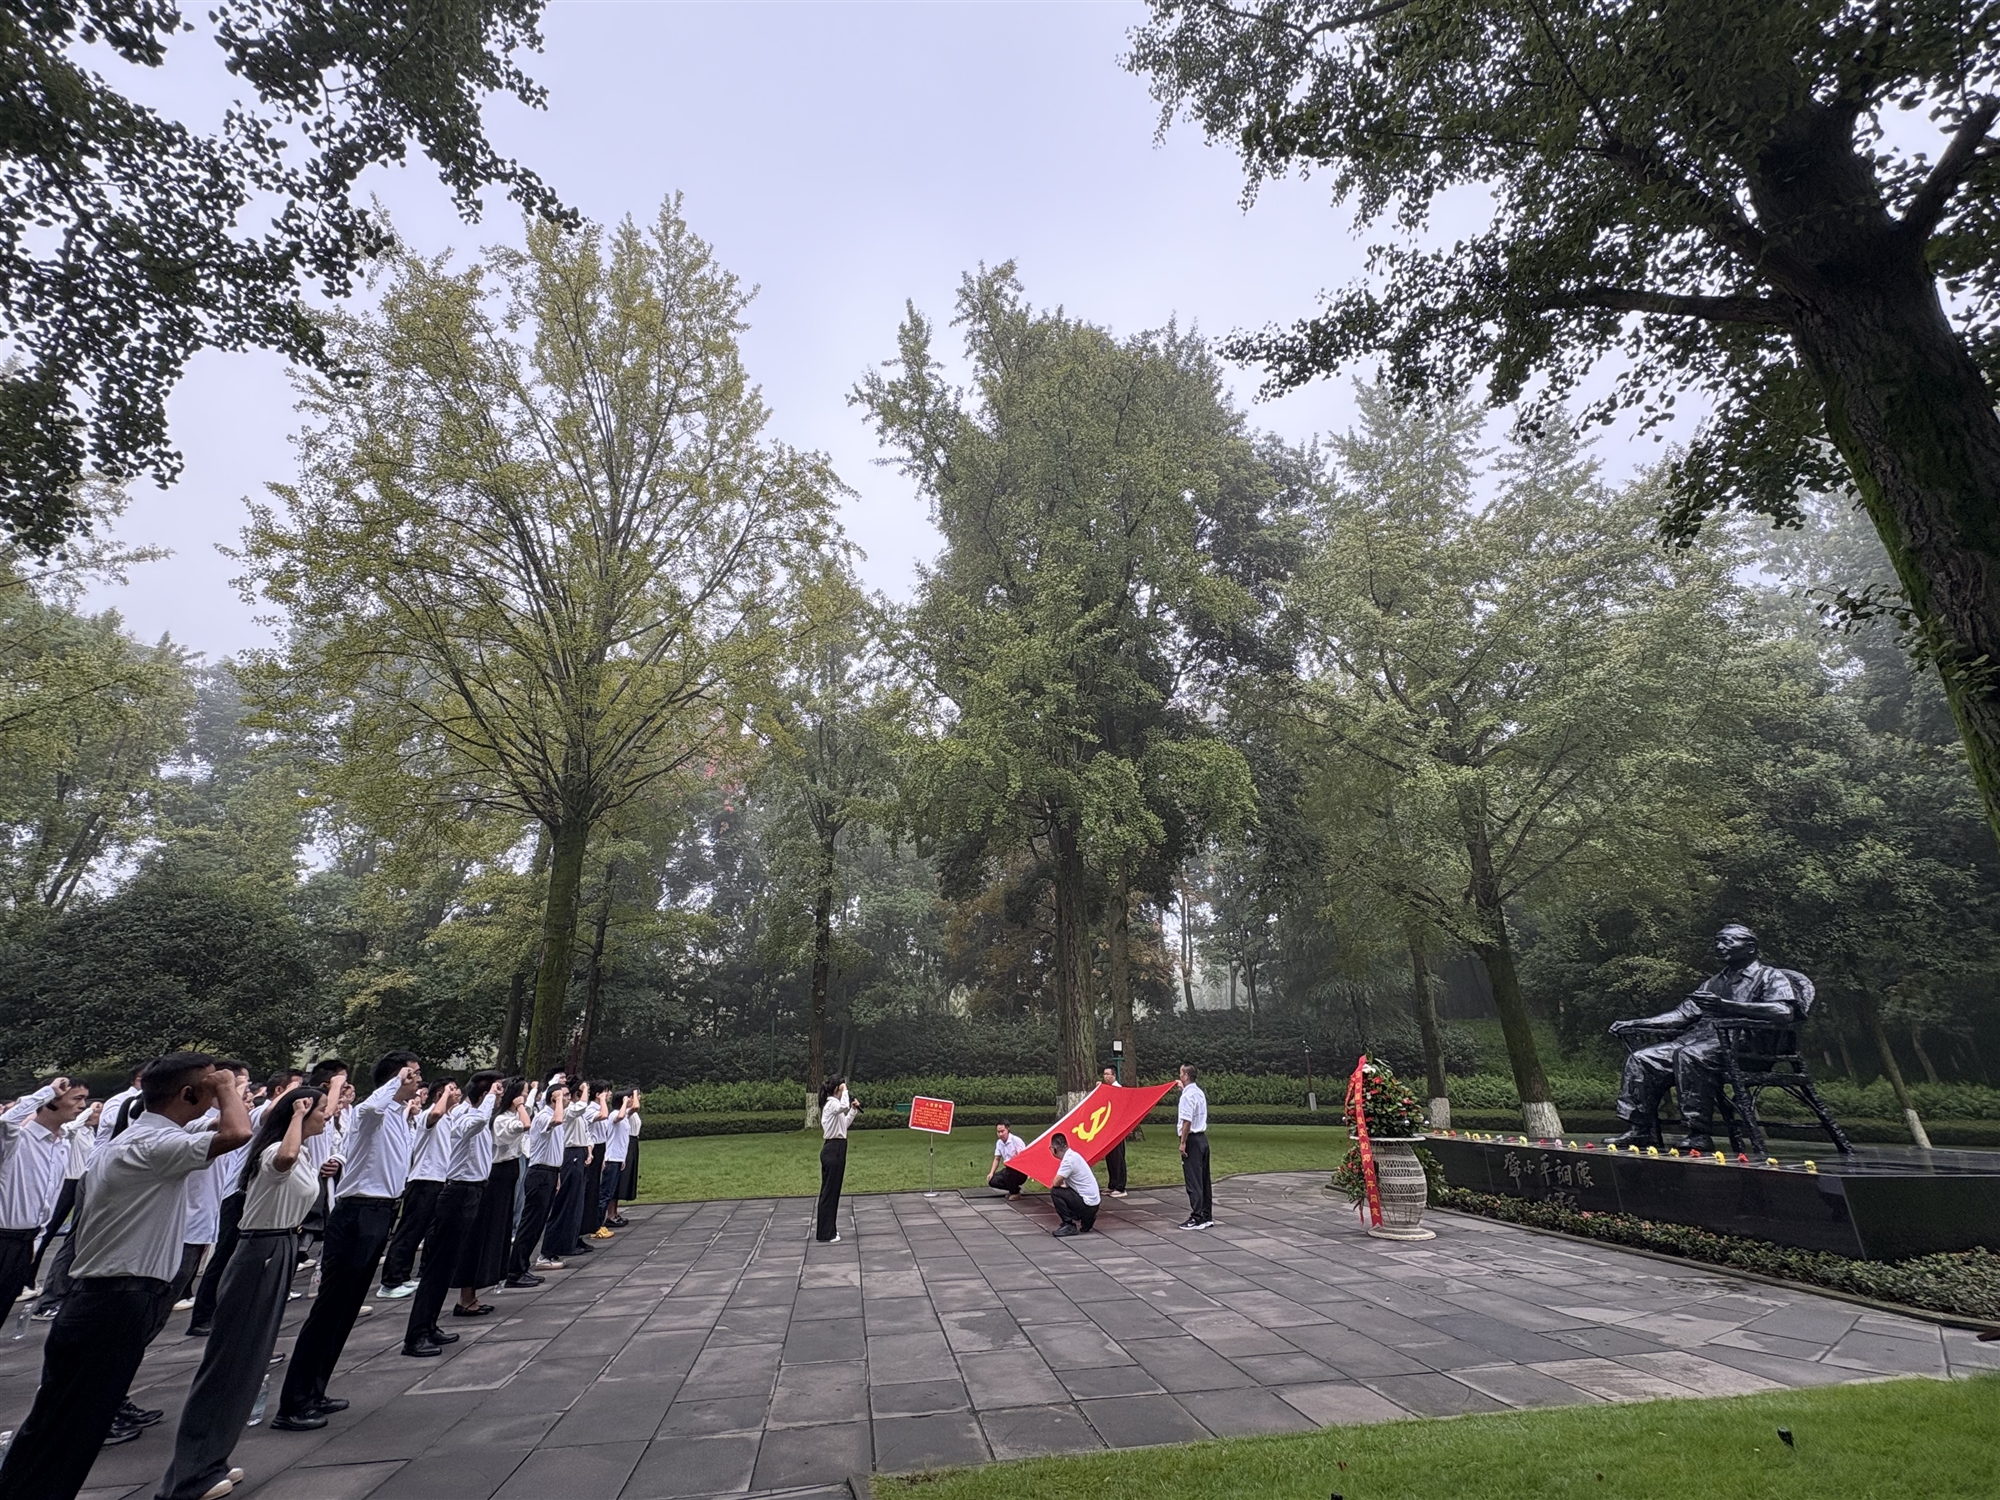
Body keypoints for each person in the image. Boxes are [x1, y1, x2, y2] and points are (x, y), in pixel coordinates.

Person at [0, 1054, 250, 1500]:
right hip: (114, 1299)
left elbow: (214, 1127)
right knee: (69, 1429)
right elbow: (236, 1133)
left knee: (60, 1424)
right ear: (187, 1094)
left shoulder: (147, 1137)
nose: (217, 1096)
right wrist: (229, 1086)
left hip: (110, 1296)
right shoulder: (151, 1146)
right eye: (209, 1090)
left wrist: (220, 1092)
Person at [155, 1086, 330, 1500]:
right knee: (230, 1361)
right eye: (321, 1110)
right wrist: (295, 1115)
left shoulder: (303, 1153)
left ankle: (211, 1460)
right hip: (261, 1252)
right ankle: (189, 1475)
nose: (328, 1116)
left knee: (250, 1362)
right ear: (300, 1113)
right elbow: (283, 1159)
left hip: (281, 1248)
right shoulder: (274, 1153)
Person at [272, 1053, 424, 1432]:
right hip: (358, 1213)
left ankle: (315, 1390)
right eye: (413, 1075)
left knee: (346, 1310)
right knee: (330, 1308)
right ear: (397, 1077)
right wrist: (395, 1082)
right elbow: (370, 1108)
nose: (418, 1081)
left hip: (381, 1211)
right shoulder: (373, 1114)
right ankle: (293, 1402)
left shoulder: (399, 1116)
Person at [1609, 924, 1804, 1151]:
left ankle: (1698, 1133)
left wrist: (1727, 1006)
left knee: (1689, 1055)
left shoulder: (1770, 976)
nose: (1719, 947)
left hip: (1744, 1048)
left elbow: (1784, 1012)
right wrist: (1636, 1023)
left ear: (1750, 947)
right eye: (1717, 942)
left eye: (1727, 941)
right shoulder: (1713, 983)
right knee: (1642, 1059)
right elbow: (1681, 1015)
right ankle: (1641, 1130)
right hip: (1701, 1042)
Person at [402, 1070, 500, 1356]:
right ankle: (416, 1334)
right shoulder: (463, 1115)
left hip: (471, 1191)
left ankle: (429, 1325)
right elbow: (476, 1122)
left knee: (446, 1266)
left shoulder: (464, 1114)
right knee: (438, 1265)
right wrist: (491, 1096)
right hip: (457, 1192)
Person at [188, 1068, 279, 1335]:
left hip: (228, 1194)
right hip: (226, 1197)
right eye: (243, 1090)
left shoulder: (244, 1117)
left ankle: (222, 1313)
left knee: (233, 1259)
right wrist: (233, 1087)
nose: (247, 1096)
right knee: (223, 1258)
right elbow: (227, 1124)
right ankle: (203, 1315)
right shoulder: (205, 1119)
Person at [0, 1078, 91, 1316]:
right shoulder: (17, 1139)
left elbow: (48, 1199)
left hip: (26, 1242)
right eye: (77, 1098)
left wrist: (36, 1242)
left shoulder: (62, 1144)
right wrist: (48, 1091)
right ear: (51, 1101)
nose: (83, 1106)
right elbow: (6, 1121)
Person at [457, 1077, 528, 1310]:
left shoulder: (493, 1118)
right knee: (480, 1237)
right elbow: (525, 1124)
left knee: (496, 1235)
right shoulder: (493, 1119)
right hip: (493, 1179)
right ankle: (466, 1297)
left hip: (505, 1177)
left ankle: (473, 1293)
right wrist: (519, 1106)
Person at [377, 1082, 454, 1297]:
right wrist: (445, 1094)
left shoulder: (449, 1118)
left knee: (423, 1231)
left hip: (438, 1179)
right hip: (423, 1179)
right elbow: (436, 1112)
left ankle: (404, 1275)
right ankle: (390, 1281)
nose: (457, 1093)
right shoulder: (429, 1115)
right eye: (452, 1090)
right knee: (410, 1231)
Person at [26, 1095, 99, 1293]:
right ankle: (27, 1279)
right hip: (68, 1182)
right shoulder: (72, 1130)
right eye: (95, 1111)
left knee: (77, 1231)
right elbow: (74, 1125)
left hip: (82, 1182)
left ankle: (60, 1280)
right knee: (48, 1230)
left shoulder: (90, 1132)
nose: (97, 1115)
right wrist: (88, 1109)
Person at [509, 1080, 567, 1283]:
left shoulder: (553, 1116)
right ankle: (515, 1271)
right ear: (554, 1098)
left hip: (549, 1172)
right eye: (564, 1096)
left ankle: (521, 1267)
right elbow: (557, 1119)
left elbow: (554, 1149)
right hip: (540, 1174)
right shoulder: (544, 1116)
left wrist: (557, 1175)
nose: (567, 1099)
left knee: (537, 1224)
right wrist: (558, 1099)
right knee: (530, 1224)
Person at [543, 1077, 599, 1261]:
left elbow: (585, 1132)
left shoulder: (574, 1111)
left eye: (568, 1095)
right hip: (570, 1154)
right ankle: (561, 1243)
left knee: (577, 1201)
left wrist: (588, 1150)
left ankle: (573, 1239)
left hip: (579, 1152)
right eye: (564, 1095)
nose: (566, 1098)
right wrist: (584, 1089)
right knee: (568, 1200)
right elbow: (580, 1107)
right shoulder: (567, 1111)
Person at [590, 1089, 638, 1238]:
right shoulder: (613, 1115)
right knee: (605, 1194)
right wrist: (624, 1102)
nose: (631, 1101)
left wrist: (622, 1160)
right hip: (611, 1159)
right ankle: (597, 1226)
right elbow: (620, 1116)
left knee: (609, 1192)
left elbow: (634, 1108)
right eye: (628, 1099)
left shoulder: (625, 1115)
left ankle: (600, 1224)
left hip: (618, 1159)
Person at [815, 1078, 858, 1244]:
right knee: (829, 1193)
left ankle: (829, 1229)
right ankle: (826, 1232)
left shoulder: (835, 1106)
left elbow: (843, 1125)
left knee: (833, 1192)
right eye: (842, 1089)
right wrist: (845, 1089)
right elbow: (843, 1106)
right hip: (833, 1149)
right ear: (837, 1090)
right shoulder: (832, 1103)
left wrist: (853, 1110)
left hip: (838, 1147)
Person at [1177, 1063, 1212, 1230]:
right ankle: (1206, 1215)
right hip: (1202, 1139)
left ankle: (1196, 1217)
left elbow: (1187, 1121)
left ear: (1185, 1076)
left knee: (1193, 1180)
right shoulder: (1198, 1092)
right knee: (1204, 1179)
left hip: (1192, 1140)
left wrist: (1183, 1142)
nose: (1179, 1076)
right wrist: (1181, 1088)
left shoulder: (1186, 1096)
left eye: (1181, 1073)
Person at [1047, 1132, 1101, 1237]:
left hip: (1087, 1204)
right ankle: (1087, 1218)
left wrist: (1060, 1185)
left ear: (1054, 1149)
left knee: (1055, 1191)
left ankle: (1069, 1224)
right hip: (1094, 1203)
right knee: (1064, 1191)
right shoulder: (1074, 1155)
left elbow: (1056, 1182)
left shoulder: (1068, 1161)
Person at [1100, 1066, 1128, 1197]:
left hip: (1117, 1131)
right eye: (1104, 1074)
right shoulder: (1107, 1089)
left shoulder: (1118, 1090)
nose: (1105, 1077)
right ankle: (1112, 1184)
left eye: (1108, 1074)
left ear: (1114, 1075)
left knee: (1118, 1158)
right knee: (1110, 1158)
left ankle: (1121, 1187)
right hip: (1109, 1131)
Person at [986, 1122, 1027, 1197]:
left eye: (1002, 1131)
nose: (1000, 1134)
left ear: (1008, 1129)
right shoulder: (999, 1143)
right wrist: (991, 1173)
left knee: (1008, 1173)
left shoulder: (1016, 1141)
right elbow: (997, 1158)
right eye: (998, 1132)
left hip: (1020, 1171)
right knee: (992, 1181)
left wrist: (1012, 1164)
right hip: (1008, 1169)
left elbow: (1023, 1158)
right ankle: (1014, 1189)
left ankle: (1015, 1193)